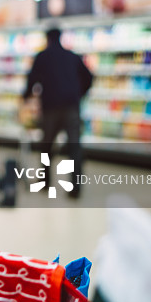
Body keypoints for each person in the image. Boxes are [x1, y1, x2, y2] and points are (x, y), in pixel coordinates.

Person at [22, 26, 93, 198]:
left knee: (46, 146)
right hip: (71, 107)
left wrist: (25, 97)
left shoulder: (42, 57)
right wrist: (79, 94)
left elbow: (32, 80)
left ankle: (45, 183)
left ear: (47, 39)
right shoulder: (72, 56)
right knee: (74, 148)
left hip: (50, 108)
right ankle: (75, 188)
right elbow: (89, 77)